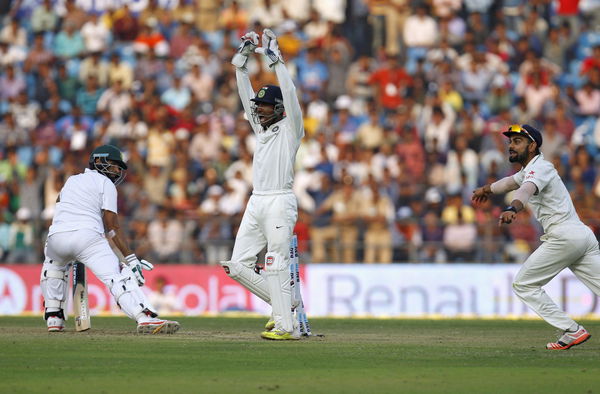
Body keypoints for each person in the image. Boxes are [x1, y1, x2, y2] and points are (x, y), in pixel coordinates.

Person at [472, 124, 600, 350]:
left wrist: (513, 208)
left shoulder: (539, 169)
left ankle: (572, 330)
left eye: (517, 142)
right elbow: (511, 182)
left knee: (523, 285)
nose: (511, 146)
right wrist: (487, 189)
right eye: (510, 142)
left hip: (564, 236)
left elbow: (526, 189)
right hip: (581, 235)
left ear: (532, 146)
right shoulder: (530, 169)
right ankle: (571, 332)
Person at [40, 144, 180, 334]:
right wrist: (130, 258)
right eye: (114, 165)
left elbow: (59, 202)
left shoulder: (72, 180)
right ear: (98, 161)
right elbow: (112, 226)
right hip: (87, 238)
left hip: (56, 237)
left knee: (53, 267)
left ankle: (54, 317)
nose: (117, 170)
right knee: (118, 276)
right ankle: (144, 317)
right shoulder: (105, 183)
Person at [220, 29, 303, 340]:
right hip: (256, 202)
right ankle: (286, 302)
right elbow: (245, 93)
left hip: (280, 201)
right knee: (236, 265)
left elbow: (291, 93)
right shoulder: (260, 127)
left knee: (275, 264)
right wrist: (241, 61)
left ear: (278, 109)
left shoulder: (291, 127)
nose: (259, 110)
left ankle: (285, 325)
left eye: (265, 106)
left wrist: (275, 60)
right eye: (259, 107)